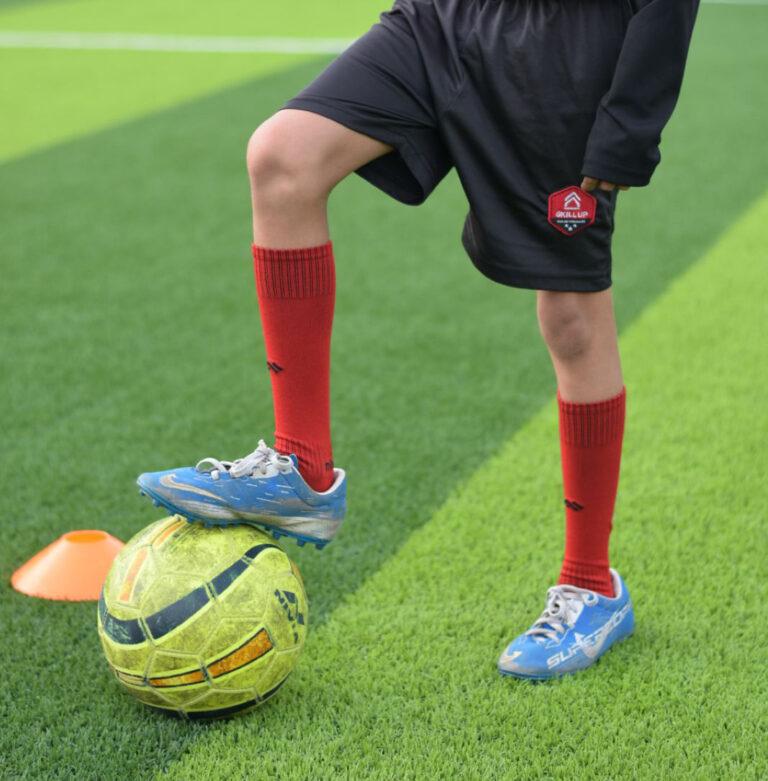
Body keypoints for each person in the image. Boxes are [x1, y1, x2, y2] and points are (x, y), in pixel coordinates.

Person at [137, 0, 699, 679]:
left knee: (572, 321)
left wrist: (630, 123)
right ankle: (302, 468)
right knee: (282, 156)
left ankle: (592, 584)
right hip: (444, 21)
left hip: (563, 50)